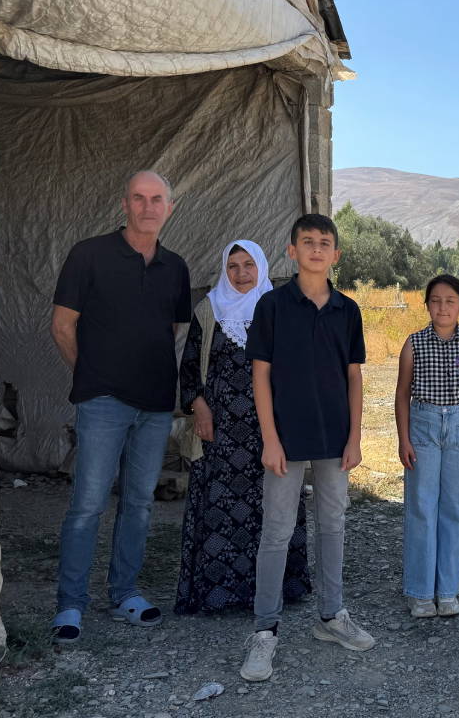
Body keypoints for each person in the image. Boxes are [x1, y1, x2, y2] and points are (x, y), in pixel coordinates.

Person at [49, 170, 192, 643]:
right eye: (139, 198)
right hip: (103, 402)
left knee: (139, 504)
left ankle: (125, 592)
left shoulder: (176, 267)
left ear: (169, 208)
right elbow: (63, 326)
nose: (148, 207)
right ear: (124, 204)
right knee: (88, 504)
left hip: (154, 404)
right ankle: (70, 605)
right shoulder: (88, 255)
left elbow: (170, 332)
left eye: (157, 200)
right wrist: (91, 376)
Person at [240, 214, 375, 683]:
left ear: (335, 254)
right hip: (286, 441)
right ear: (291, 250)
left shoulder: (348, 310)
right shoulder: (272, 306)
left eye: (325, 243)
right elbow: (260, 374)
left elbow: (354, 376)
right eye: (307, 241)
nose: (316, 249)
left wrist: (355, 437)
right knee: (276, 532)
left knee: (333, 525)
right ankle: (264, 632)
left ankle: (331, 617)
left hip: (334, 439)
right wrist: (270, 439)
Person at [175, 240, 311, 614]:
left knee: (274, 507)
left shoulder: (280, 309)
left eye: (249, 264)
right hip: (220, 434)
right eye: (233, 266)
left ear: (262, 267)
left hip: (272, 430)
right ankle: (222, 594)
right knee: (222, 509)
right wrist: (199, 407)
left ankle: (275, 591)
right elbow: (189, 369)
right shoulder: (208, 311)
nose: (241, 273)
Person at [394, 275, 459, 619]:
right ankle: (421, 592)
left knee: (455, 509)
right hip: (424, 426)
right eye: (435, 300)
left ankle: (447, 591)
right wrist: (403, 438)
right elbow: (402, 393)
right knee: (421, 507)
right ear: (427, 305)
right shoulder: (414, 343)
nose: (443, 307)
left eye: (450, 301)